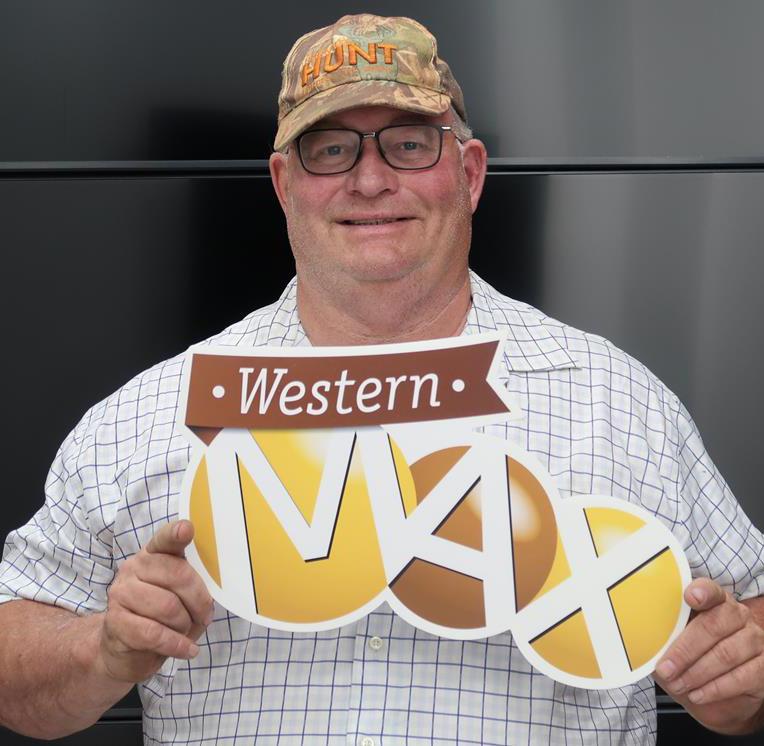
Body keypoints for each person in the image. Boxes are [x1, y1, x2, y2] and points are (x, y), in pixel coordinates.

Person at [1, 12, 764, 745]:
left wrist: (742, 673)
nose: (369, 181)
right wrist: (101, 651)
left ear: (469, 174)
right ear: (283, 184)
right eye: (329, 149)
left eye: (408, 144)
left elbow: (749, 616)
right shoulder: (151, 414)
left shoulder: (615, 401)